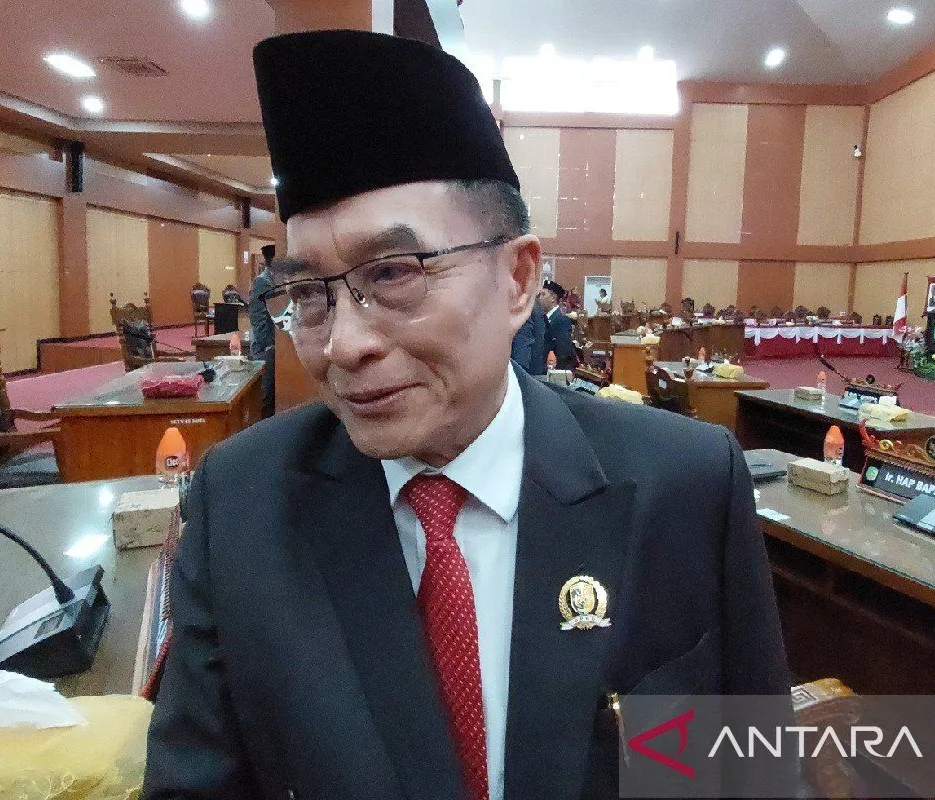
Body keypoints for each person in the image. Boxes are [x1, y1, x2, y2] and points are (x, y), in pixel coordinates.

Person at [144, 29, 792, 800]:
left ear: (518, 279)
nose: (343, 345)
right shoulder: (242, 507)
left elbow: (747, 773)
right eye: (310, 294)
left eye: (394, 273)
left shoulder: (683, 486)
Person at [248, 244, 277, 416]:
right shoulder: (262, 281)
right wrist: (267, 345)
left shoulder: (275, 280)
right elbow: (257, 316)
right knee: (265, 394)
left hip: (274, 345)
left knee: (273, 392)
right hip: (264, 347)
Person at [540, 280, 574, 369]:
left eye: (543, 295)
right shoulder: (543, 318)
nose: (540, 298)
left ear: (553, 298)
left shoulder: (561, 320)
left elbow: (563, 351)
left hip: (552, 369)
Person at [509, 298, 547, 376]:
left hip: (524, 370)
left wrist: (518, 373)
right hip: (533, 368)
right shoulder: (534, 305)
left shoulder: (523, 306)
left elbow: (522, 342)